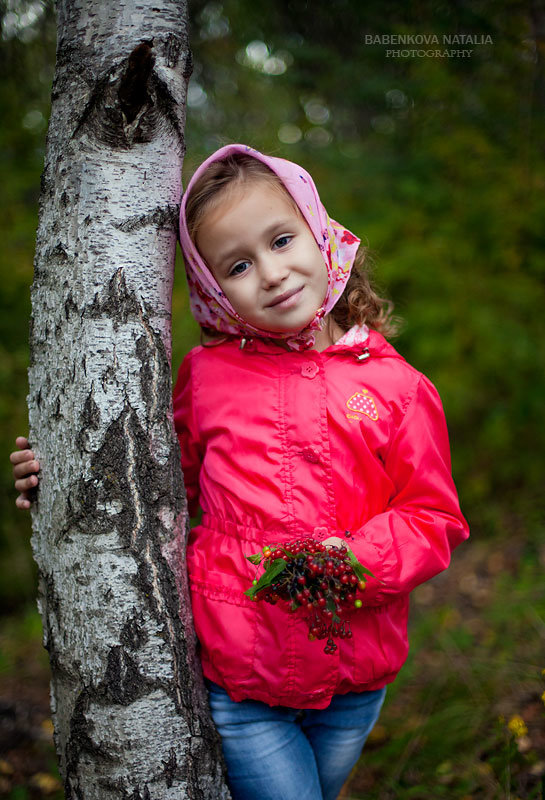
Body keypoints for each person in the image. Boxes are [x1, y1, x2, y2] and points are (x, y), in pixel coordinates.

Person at [10, 143, 469, 800]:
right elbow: (149, 477)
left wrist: (356, 558)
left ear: (320, 232)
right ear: (209, 286)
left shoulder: (398, 388)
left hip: (355, 676)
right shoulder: (208, 378)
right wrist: (61, 477)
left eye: (282, 240)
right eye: (238, 265)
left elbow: (432, 517)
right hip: (241, 677)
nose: (272, 273)